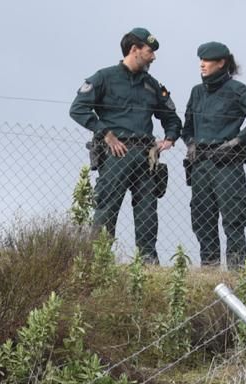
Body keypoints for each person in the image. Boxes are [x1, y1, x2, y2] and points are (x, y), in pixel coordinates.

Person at [69, 28, 182, 264]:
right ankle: (98, 261)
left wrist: (169, 138)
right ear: (135, 50)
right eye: (150, 51)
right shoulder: (104, 77)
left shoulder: (153, 85)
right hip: (116, 154)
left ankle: (148, 263)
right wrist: (105, 134)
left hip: (146, 157)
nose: (154, 57)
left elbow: (172, 118)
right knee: (106, 208)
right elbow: (78, 109)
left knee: (147, 212)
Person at [181, 42, 246, 268]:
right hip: (200, 166)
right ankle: (209, 270)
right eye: (200, 60)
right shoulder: (197, 92)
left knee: (233, 219)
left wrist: (238, 140)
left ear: (221, 63)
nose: (202, 64)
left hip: (226, 165)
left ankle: (236, 271)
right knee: (202, 219)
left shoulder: (236, 90)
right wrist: (190, 142)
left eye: (207, 60)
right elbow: (187, 126)